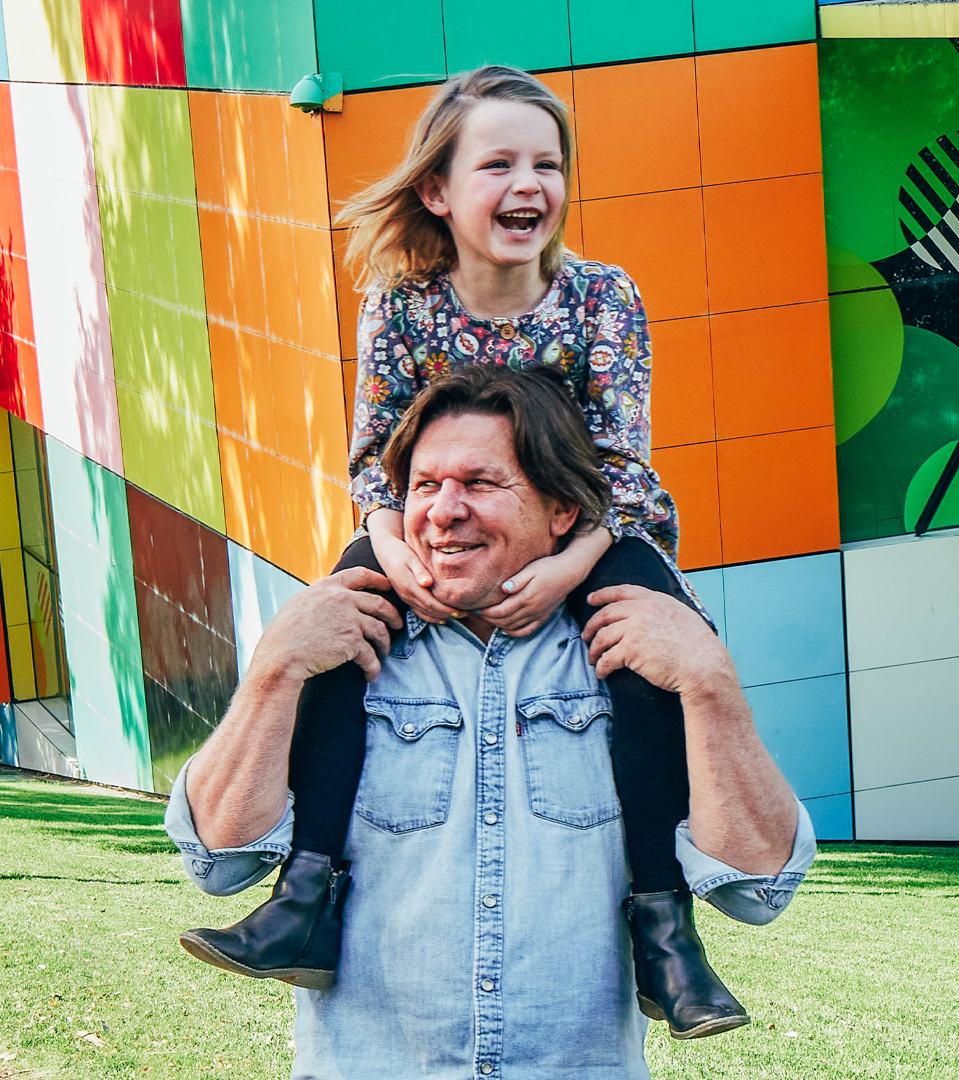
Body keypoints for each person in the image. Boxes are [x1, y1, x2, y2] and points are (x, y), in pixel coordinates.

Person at [175, 65, 747, 1034]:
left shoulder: (601, 297)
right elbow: (373, 460)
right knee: (336, 631)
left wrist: (566, 569)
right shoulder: (401, 306)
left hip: (594, 525)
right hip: (423, 519)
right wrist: (393, 552)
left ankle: (665, 927)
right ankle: (305, 893)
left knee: (655, 651)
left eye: (547, 165)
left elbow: (622, 464)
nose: (529, 184)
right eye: (499, 165)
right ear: (438, 190)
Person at [166, 365, 814, 1078]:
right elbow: (218, 864)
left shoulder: (637, 655)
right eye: (424, 486)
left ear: (562, 510)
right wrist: (274, 669)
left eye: (480, 483)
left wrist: (711, 684)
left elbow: (759, 890)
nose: (444, 512)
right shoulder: (340, 647)